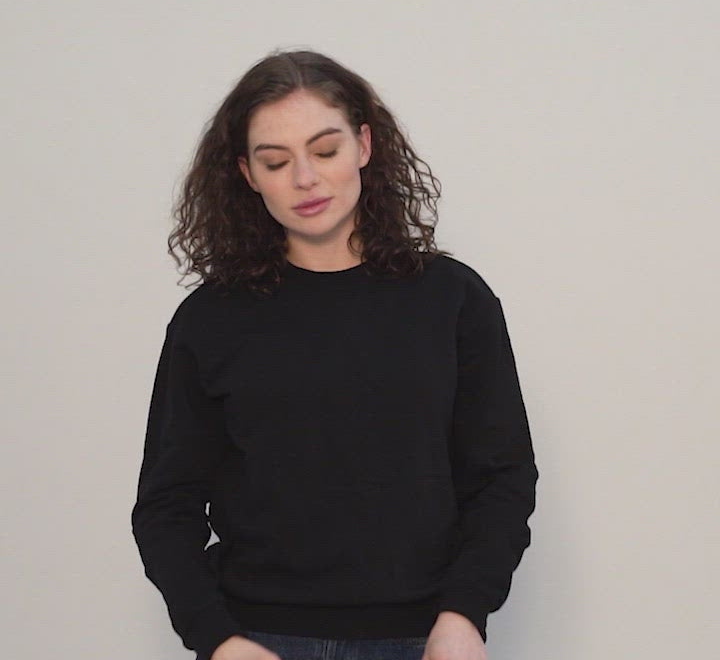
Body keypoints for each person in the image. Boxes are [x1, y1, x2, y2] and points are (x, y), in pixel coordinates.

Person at [130, 48, 539, 660]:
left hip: (425, 639)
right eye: (276, 161)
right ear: (247, 174)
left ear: (364, 146)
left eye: (325, 151)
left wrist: (464, 614)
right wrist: (216, 639)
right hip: (258, 640)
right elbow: (166, 504)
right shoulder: (210, 319)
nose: (305, 179)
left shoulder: (452, 300)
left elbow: (502, 476)